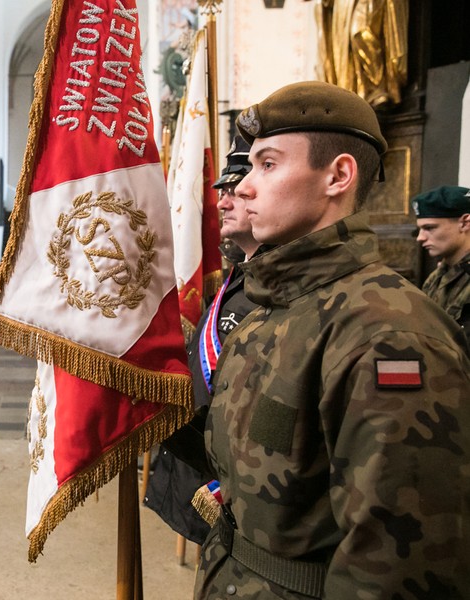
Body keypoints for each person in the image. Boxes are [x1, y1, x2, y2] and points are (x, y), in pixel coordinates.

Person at [196, 81, 470, 598]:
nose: (245, 187)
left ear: (337, 176)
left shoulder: (387, 335)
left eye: (269, 165)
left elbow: (396, 568)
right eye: (249, 166)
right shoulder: (272, 310)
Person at [145, 136, 262, 546]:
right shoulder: (237, 279)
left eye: (236, 190)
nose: (223, 202)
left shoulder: (273, 292)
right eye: (224, 191)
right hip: (197, 472)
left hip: (237, 496)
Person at [413, 185, 470, 333]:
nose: (420, 238)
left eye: (430, 228)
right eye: (420, 229)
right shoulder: (436, 278)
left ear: (464, 223)